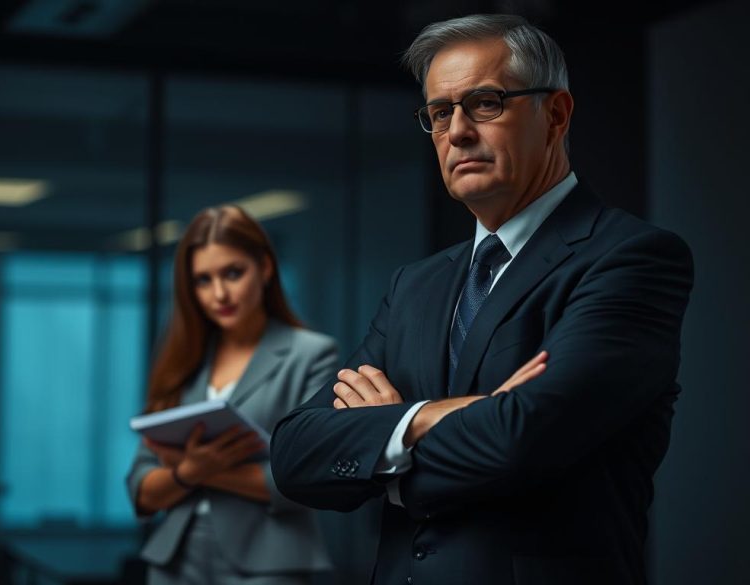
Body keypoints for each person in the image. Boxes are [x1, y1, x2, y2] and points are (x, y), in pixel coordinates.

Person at [270, 14, 693, 585]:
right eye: (440, 113)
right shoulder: (415, 285)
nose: (458, 132)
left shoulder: (631, 258)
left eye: (486, 103)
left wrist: (383, 441)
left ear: (557, 114)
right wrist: (440, 415)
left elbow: (521, 441)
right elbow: (296, 455)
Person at [126, 205, 335, 585]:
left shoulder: (311, 354)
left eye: (233, 273)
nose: (218, 293)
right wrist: (191, 471)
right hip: (174, 561)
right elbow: (141, 489)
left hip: (269, 561)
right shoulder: (181, 358)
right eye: (202, 281)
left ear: (265, 268)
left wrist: (198, 471)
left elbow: (308, 481)